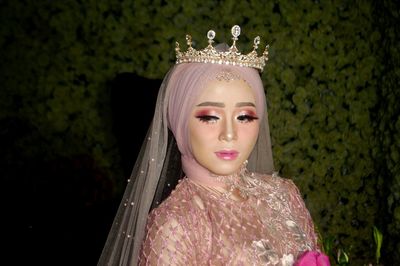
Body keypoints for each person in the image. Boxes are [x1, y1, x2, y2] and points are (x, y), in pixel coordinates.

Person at [98, 25, 328, 266]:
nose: (229, 134)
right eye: (210, 117)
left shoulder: (284, 194)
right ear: (180, 123)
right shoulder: (176, 223)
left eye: (244, 117)